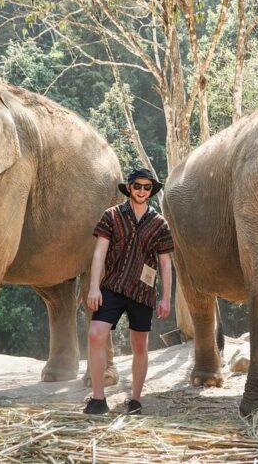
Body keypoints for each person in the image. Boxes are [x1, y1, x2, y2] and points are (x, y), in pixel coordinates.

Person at [83, 168, 174, 415]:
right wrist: (94, 286)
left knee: (140, 346)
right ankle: (98, 398)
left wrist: (165, 298)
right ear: (129, 188)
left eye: (147, 187)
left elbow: (165, 263)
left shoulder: (159, 223)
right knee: (95, 334)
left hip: (143, 292)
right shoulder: (111, 216)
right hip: (112, 286)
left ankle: (135, 399)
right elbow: (99, 253)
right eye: (138, 186)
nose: (142, 191)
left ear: (151, 190)